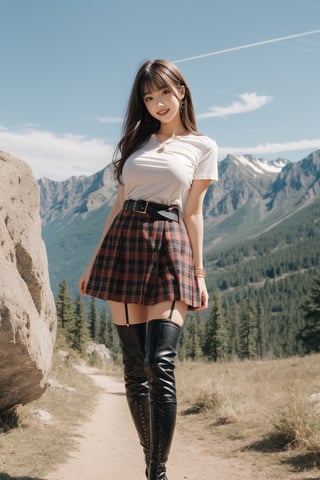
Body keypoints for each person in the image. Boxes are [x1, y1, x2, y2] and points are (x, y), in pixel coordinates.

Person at [79, 58, 218, 480]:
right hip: (124, 242)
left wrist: (199, 273)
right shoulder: (135, 143)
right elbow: (118, 205)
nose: (158, 102)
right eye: (149, 96)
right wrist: (94, 262)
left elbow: (193, 212)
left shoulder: (202, 146)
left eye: (164, 92)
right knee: (135, 367)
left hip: (171, 243)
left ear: (182, 91)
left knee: (160, 362)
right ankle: (150, 462)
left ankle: (157, 471)